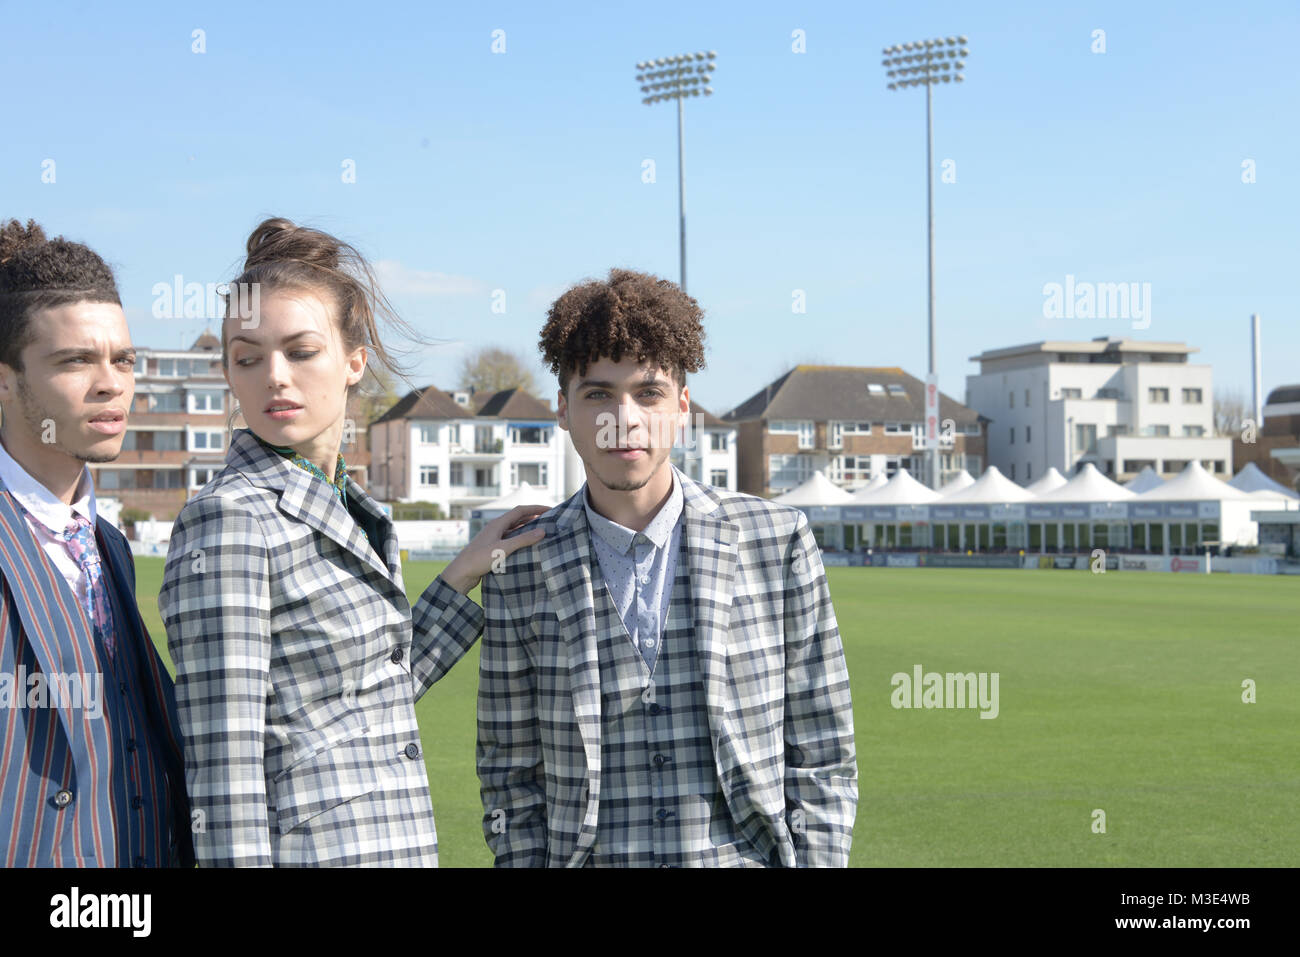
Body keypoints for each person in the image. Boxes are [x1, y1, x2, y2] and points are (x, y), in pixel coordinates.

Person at [158, 218, 545, 866]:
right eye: (247, 357)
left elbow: (365, 698)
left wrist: (457, 579)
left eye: (300, 351)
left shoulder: (355, 508)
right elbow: (225, 788)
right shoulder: (228, 522)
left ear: (353, 360)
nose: (273, 377)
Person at [476, 268, 857, 867]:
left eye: (648, 393)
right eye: (597, 393)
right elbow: (509, 776)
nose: (622, 418)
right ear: (563, 411)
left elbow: (823, 751)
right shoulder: (518, 568)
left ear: (682, 407)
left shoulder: (778, 541)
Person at [0, 218, 193, 867]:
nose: (111, 382)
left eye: (123, 359)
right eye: (76, 360)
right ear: (5, 379)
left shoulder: (107, 544)